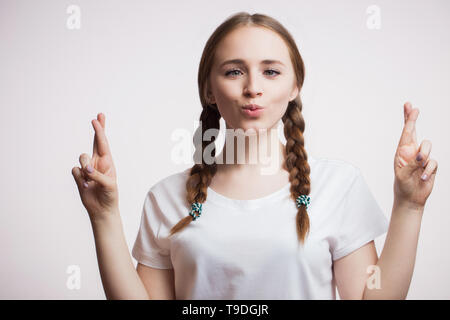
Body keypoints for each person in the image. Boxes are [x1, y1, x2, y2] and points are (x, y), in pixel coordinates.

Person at [72, 12, 438, 300]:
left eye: (271, 71)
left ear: (294, 87)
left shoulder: (338, 186)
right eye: (234, 71)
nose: (252, 88)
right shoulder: (166, 198)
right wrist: (103, 214)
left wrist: (409, 205)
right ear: (209, 90)